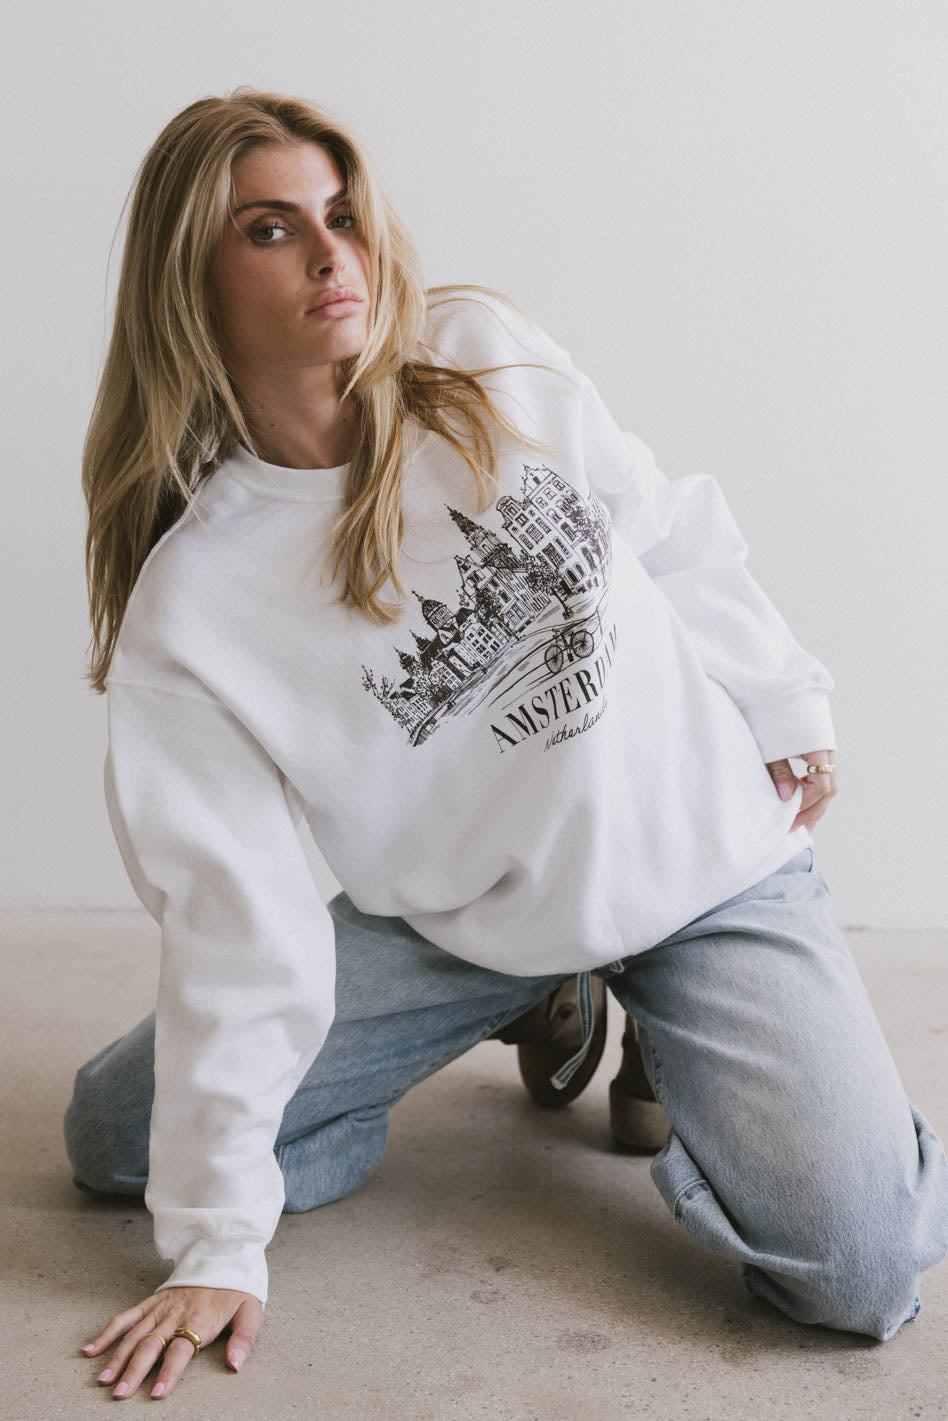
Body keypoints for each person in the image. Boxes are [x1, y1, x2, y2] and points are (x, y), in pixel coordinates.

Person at [65, 86, 947, 1402]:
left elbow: (657, 520)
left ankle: (674, 1035)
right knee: (116, 1141)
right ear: (185, 276)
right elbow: (236, 923)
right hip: (463, 925)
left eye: (344, 215)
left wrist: (784, 702)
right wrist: (221, 1243)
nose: (334, 257)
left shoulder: (476, 352)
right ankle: (550, 993)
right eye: (271, 230)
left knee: (861, 1272)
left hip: (702, 866)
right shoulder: (196, 606)